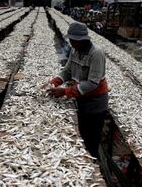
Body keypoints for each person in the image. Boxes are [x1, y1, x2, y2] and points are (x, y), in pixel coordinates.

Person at [46, 21, 108, 158]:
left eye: (74, 41)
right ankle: (82, 154)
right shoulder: (75, 50)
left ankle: (92, 160)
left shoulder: (96, 53)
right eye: (71, 40)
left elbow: (93, 82)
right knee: (82, 129)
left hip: (95, 101)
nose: (72, 43)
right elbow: (67, 71)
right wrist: (55, 82)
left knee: (91, 136)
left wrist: (65, 91)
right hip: (81, 97)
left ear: (83, 40)